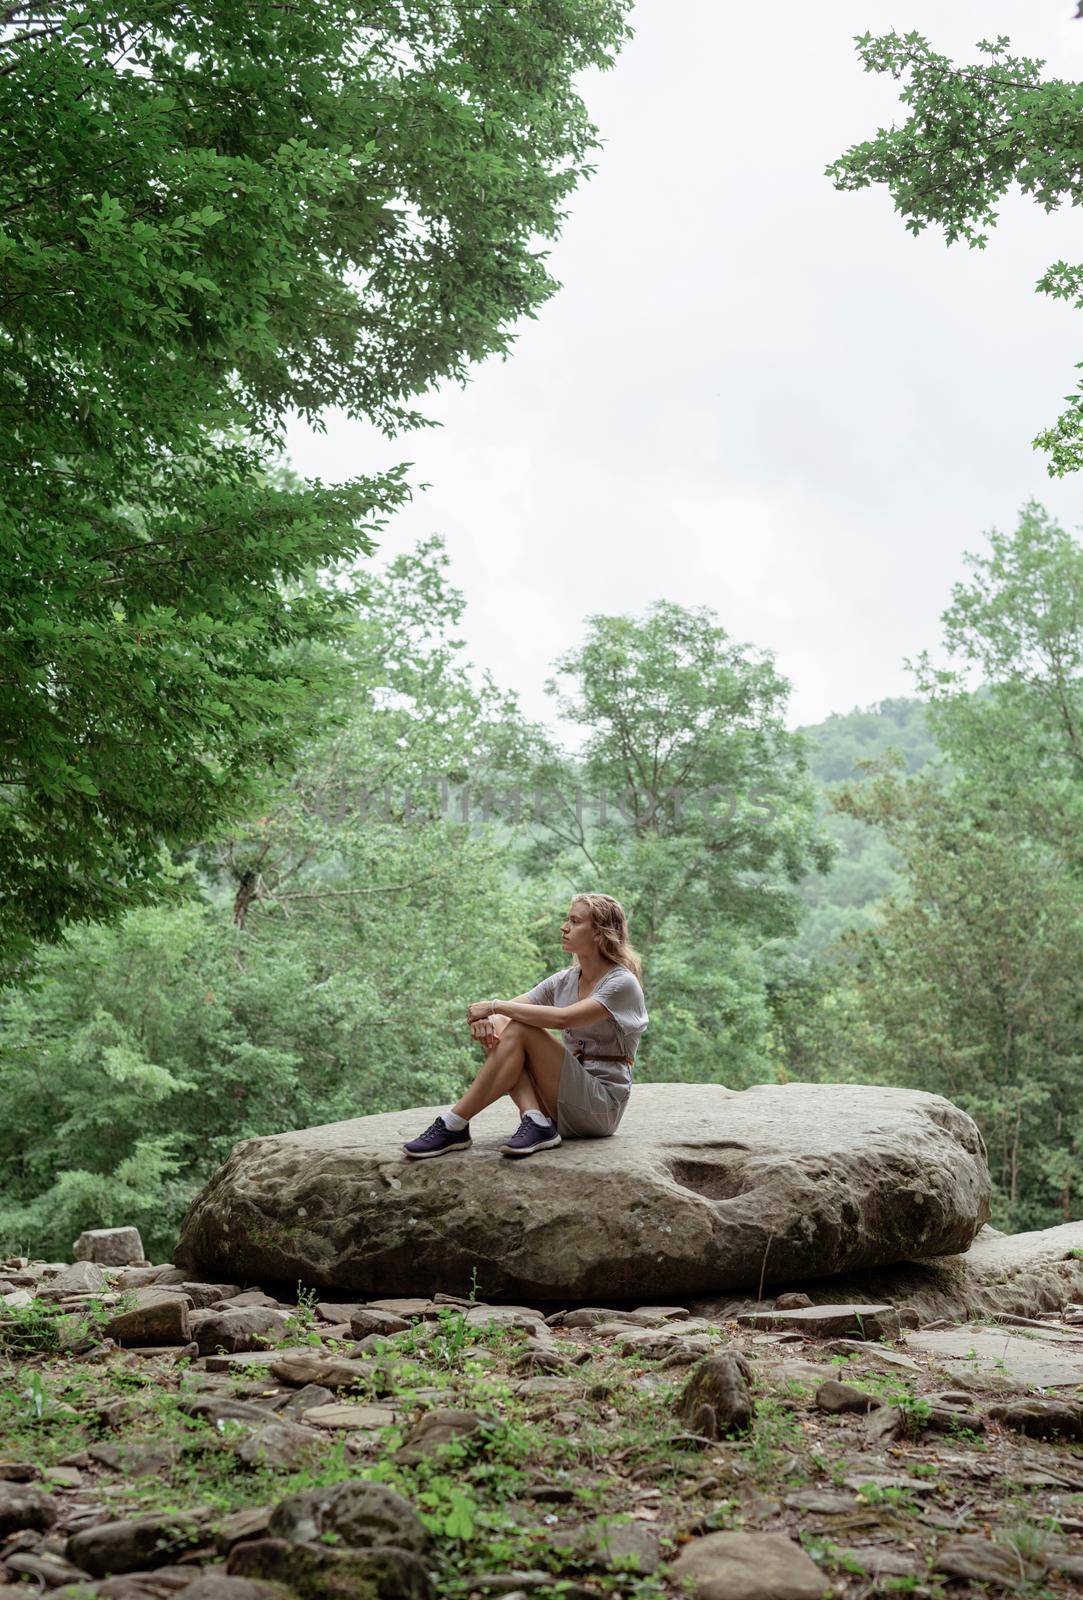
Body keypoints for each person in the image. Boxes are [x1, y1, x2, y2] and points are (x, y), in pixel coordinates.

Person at [402, 892, 648, 1160]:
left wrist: (495, 1006)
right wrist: (488, 1021)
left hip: (601, 1107)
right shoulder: (565, 979)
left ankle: (454, 1122)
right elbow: (505, 1017)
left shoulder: (621, 984)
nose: (564, 927)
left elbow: (562, 1018)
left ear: (599, 933)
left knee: (520, 1027)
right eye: (567, 920)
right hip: (560, 1099)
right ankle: (534, 1119)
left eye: (575, 922)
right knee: (503, 1029)